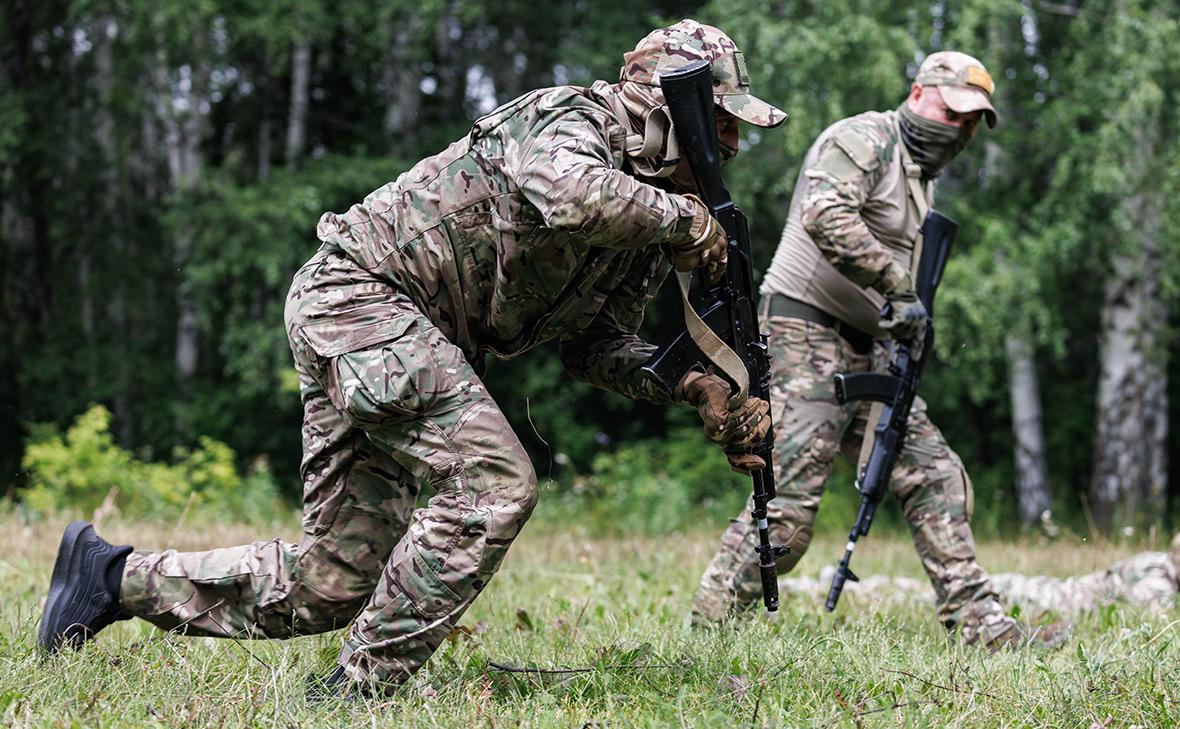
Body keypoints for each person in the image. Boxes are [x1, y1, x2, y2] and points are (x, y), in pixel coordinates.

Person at [38, 19, 785, 695]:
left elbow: (596, 346)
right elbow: (567, 193)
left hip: (400, 335)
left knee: (329, 581)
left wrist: (690, 384)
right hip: (359, 298)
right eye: (719, 122)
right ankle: (357, 692)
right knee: (495, 482)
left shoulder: (651, 223)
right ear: (666, 106)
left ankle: (106, 577)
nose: (731, 147)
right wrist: (688, 221)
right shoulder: (569, 118)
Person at [690, 51, 1045, 649]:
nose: (955, 128)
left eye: (968, 121)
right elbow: (825, 213)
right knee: (791, 509)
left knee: (934, 475)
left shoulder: (920, 178)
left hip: (873, 348)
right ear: (917, 93)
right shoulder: (864, 138)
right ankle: (710, 629)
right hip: (805, 331)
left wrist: (907, 320)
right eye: (950, 111)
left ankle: (984, 627)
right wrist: (899, 287)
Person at [779, 533, 1180, 619]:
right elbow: (1158, 618)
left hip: (1032, 590)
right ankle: (828, 587)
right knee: (922, 597)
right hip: (1032, 596)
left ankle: (841, 584)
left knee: (922, 592)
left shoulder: (1154, 561)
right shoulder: (1157, 577)